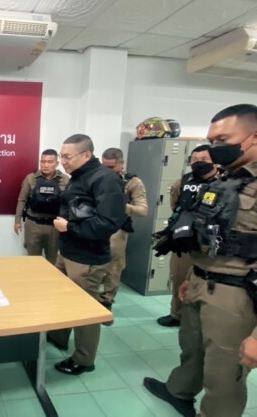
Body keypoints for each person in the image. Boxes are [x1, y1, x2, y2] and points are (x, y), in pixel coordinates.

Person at [144, 104, 257, 417]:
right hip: (199, 283)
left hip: (236, 296)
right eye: (211, 140)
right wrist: (191, 278)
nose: (214, 148)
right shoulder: (224, 180)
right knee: (191, 350)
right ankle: (179, 391)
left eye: (223, 140)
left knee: (224, 374)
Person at [50, 134, 126, 375]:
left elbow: (108, 222)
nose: (63, 161)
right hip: (68, 251)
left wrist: (69, 227)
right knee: (63, 300)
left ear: (86, 154)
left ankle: (84, 359)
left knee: (85, 310)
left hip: (87, 258)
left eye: (67, 156)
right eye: (61, 156)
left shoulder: (104, 179)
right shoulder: (78, 176)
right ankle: (59, 336)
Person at [156, 145, 218, 327]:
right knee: (179, 277)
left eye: (204, 159)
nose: (199, 163)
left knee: (208, 283)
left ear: (215, 161)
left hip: (212, 243)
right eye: (195, 160)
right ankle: (176, 314)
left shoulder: (224, 183)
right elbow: (176, 206)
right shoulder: (182, 182)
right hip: (185, 240)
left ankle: (202, 319)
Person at [100, 148, 148, 320]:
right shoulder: (96, 177)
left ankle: (107, 300)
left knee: (114, 267)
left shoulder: (132, 182)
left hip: (116, 230)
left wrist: (120, 205)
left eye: (111, 167)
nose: (107, 171)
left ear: (121, 164)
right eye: (104, 166)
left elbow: (143, 210)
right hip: (94, 227)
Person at [14, 149, 69, 266]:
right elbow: (22, 200)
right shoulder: (31, 178)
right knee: (33, 262)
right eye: (43, 162)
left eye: (50, 162)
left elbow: (69, 203)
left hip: (55, 226)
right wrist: (17, 220)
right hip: (34, 225)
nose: (46, 165)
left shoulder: (64, 180)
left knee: (53, 262)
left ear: (57, 163)